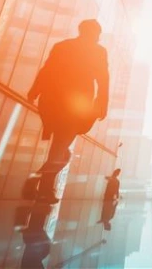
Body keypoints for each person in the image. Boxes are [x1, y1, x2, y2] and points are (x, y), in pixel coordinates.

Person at [24, 19, 109, 204]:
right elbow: (103, 78)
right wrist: (102, 103)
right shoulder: (98, 51)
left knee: (61, 150)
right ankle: (43, 187)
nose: (99, 37)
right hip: (74, 106)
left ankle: (38, 181)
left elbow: (47, 70)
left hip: (53, 102)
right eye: (98, 33)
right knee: (61, 148)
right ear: (94, 33)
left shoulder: (62, 46)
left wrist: (34, 91)